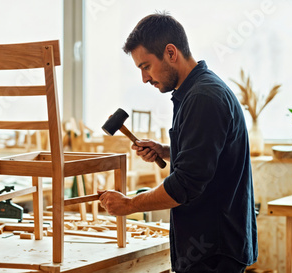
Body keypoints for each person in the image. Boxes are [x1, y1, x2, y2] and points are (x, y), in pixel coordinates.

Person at [98, 12, 258, 273]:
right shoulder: (194, 92)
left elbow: (185, 185)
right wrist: (165, 151)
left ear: (171, 53)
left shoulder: (204, 97)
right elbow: (208, 155)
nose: (144, 78)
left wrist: (129, 205)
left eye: (146, 66)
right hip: (209, 247)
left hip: (213, 252)